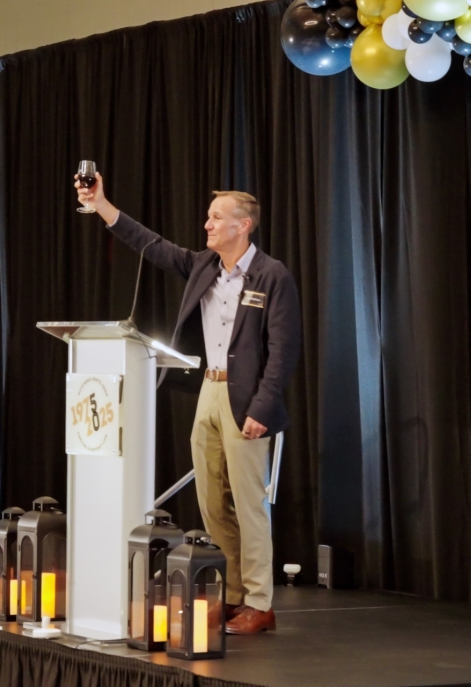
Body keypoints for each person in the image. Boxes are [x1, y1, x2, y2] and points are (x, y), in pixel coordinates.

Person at [75, 172, 301, 635]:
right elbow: (151, 244)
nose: (207, 225)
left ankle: (260, 602)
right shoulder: (203, 266)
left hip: (246, 398)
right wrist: (101, 205)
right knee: (212, 504)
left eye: (216, 218)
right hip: (209, 392)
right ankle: (232, 596)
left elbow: (283, 350)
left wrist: (262, 407)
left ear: (243, 225)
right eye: (208, 217)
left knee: (248, 505)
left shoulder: (272, 275)